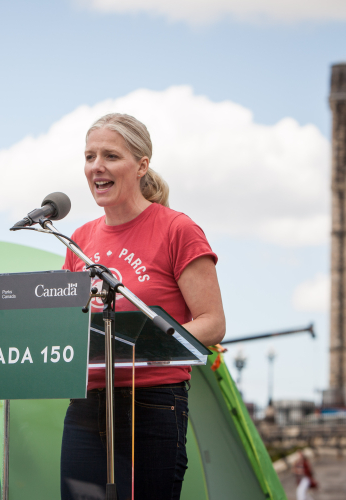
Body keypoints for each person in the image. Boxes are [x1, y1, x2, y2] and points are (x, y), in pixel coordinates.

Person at [60, 113, 226, 500]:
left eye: (110, 156)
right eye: (89, 156)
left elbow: (213, 323)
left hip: (154, 402)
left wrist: (139, 346)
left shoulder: (177, 229)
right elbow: (68, 323)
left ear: (141, 165)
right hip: (87, 404)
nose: (96, 166)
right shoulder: (79, 240)